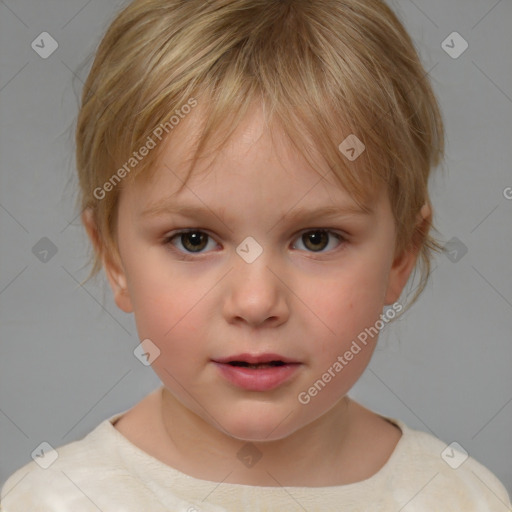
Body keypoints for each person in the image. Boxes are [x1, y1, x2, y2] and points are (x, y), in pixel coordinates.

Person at [1, 0, 510, 510]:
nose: (256, 301)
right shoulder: (56, 500)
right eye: (194, 240)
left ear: (401, 254)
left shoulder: (461, 497)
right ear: (114, 258)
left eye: (316, 239)